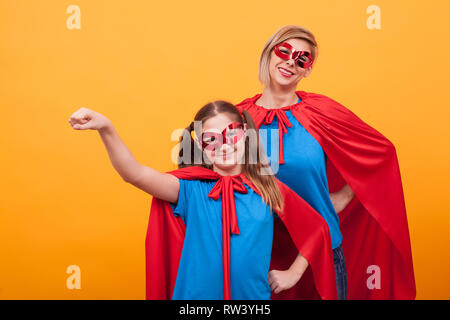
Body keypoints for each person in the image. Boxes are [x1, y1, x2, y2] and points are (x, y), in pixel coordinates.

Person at [68, 100, 337, 300]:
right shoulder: (189, 189)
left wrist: (292, 273)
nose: (224, 144)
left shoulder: (268, 188)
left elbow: (318, 229)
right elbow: (134, 174)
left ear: (245, 133)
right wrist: (106, 128)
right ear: (201, 146)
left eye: (231, 133)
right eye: (211, 139)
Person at [236, 25, 416, 299]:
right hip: (258, 255)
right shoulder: (238, 117)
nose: (290, 62)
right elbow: (211, 181)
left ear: (307, 70)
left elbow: (381, 153)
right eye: (284, 51)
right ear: (268, 54)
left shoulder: (320, 111)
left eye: (302, 58)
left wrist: (342, 197)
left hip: (319, 255)